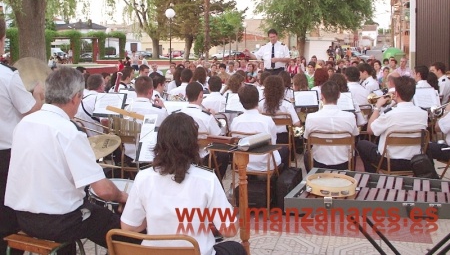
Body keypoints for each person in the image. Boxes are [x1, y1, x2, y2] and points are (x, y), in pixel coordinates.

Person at [5, 67, 128, 252]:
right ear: (75, 97)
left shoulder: (23, 124)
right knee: (117, 227)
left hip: (23, 217)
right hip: (58, 222)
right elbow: (103, 191)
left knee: (74, 209)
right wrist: (123, 197)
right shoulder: (68, 131)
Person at [120, 113, 245, 255]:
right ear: (193, 144)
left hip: (155, 253)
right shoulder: (207, 179)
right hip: (196, 251)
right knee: (235, 248)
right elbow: (228, 230)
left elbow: (128, 227)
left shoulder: (142, 177)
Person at [0, 16, 44, 254]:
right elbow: (30, 112)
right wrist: (37, 95)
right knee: (8, 219)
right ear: (2, 40)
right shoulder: (8, 76)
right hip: (7, 157)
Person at [356, 76, 428, 173]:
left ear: (396, 93)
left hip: (389, 162)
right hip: (414, 161)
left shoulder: (390, 114)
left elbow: (370, 130)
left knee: (362, 144)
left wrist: (377, 107)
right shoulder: (423, 113)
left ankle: (372, 176)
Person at [303, 81, 359, 171]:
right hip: (344, 162)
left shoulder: (311, 117)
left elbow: (307, 138)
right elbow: (355, 135)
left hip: (319, 162)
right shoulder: (350, 116)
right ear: (339, 95)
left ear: (321, 96)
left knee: (306, 154)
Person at [231, 85, 287, 171]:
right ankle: (279, 181)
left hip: (243, 163)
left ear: (240, 101)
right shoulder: (267, 121)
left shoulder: (235, 121)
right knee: (284, 149)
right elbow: (273, 143)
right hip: (266, 164)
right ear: (258, 99)